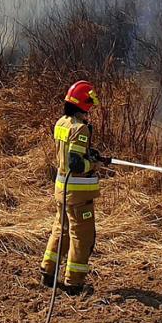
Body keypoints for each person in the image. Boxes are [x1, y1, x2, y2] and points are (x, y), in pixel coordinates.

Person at [39, 80, 111, 293]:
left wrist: (90, 153)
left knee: (60, 230)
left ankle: (48, 271)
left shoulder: (62, 123)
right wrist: (93, 163)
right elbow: (76, 164)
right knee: (82, 235)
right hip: (78, 193)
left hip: (61, 188)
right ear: (84, 103)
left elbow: (69, 152)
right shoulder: (80, 129)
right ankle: (74, 282)